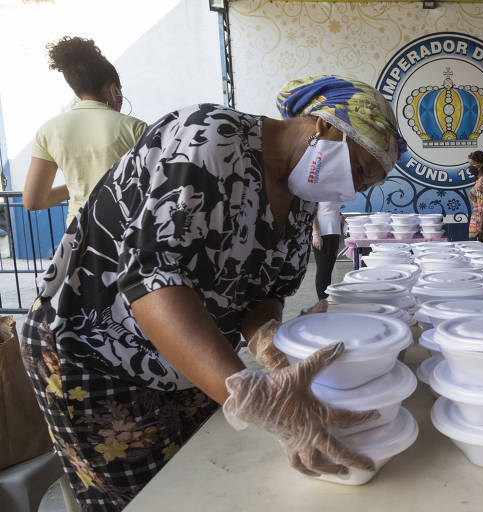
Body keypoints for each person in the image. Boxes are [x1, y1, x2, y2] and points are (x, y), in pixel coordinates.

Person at [20, 75, 405, 511]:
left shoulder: (302, 199)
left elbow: (268, 294)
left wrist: (267, 346)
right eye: (358, 169)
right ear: (325, 125)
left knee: (199, 481)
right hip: (95, 350)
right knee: (143, 499)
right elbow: (152, 275)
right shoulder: (211, 135)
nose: (353, 189)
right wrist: (253, 395)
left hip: (187, 352)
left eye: (366, 185)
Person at [24, 36, 146, 227]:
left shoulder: (48, 131)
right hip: (124, 231)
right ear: (112, 88)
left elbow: (33, 200)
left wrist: (76, 186)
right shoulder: (135, 128)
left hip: (78, 234)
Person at [312, 201, 342, 300]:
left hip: (334, 231)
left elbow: (334, 210)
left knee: (329, 269)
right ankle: (322, 301)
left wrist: (344, 219)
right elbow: (311, 212)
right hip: (322, 233)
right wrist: (316, 233)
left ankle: (325, 298)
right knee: (323, 269)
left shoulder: (334, 189)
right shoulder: (317, 188)